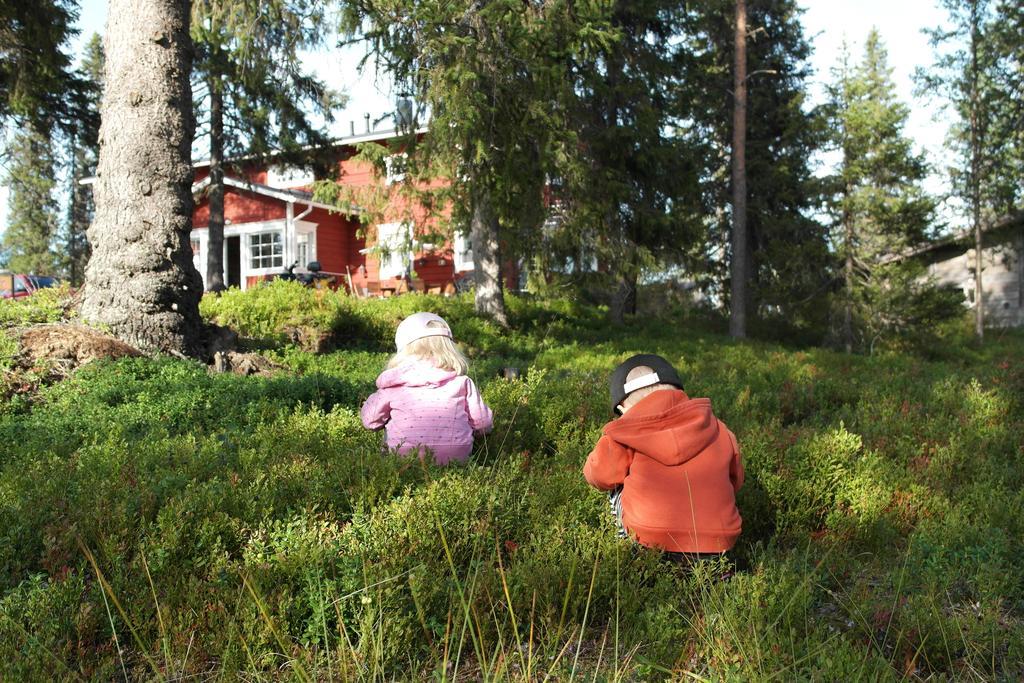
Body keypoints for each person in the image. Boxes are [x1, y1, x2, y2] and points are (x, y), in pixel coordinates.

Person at [583, 354, 743, 563]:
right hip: (718, 542)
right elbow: (736, 480)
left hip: (650, 539)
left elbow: (598, 475)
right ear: (679, 392)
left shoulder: (623, 433)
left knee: (614, 485)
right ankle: (715, 573)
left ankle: (628, 557)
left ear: (622, 407)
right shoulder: (718, 428)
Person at [361, 312, 493, 464]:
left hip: (405, 457)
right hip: (457, 457)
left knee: (390, 428)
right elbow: (483, 424)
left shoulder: (394, 384)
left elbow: (370, 421)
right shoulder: (462, 382)